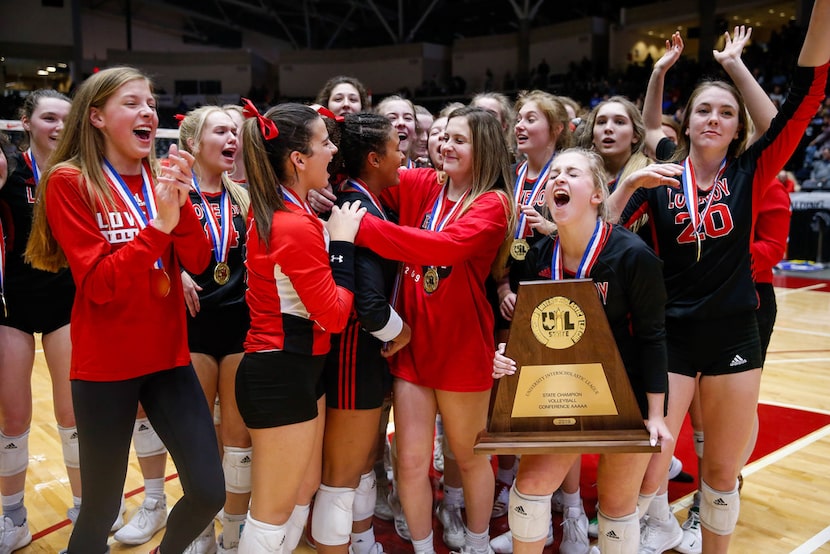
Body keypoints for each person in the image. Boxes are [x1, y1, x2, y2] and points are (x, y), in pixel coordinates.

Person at [608, 6, 830, 551]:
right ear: (686, 124)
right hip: (671, 338)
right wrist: (659, 74)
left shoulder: (753, 172)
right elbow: (651, 127)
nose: (713, 118)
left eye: (726, 113)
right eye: (702, 110)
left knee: (722, 474)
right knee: (645, 471)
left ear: (738, 128)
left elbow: (805, 97)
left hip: (735, 333)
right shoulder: (661, 169)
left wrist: (737, 65)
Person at [25, 66, 226, 554]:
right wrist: (160, 224)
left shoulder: (163, 175)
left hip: (167, 359)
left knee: (208, 491)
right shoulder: (69, 181)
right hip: (105, 368)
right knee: (101, 509)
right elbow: (98, 286)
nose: (148, 113)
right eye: (132, 103)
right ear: (96, 117)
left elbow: (199, 261)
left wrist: (184, 204)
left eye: (151, 104)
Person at [493, 147, 675, 554]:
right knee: (529, 489)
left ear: (597, 194)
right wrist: (505, 356)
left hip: (626, 393)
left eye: (572, 174)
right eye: (554, 173)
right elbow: (530, 333)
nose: (559, 179)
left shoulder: (632, 255)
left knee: (615, 509)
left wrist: (656, 414)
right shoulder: (538, 257)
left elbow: (653, 337)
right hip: (563, 392)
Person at [353, 105, 516, 554]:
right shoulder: (426, 183)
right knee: (409, 461)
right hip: (412, 342)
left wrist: (363, 229)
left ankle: (478, 543)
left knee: (469, 457)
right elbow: (371, 172)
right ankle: (424, 548)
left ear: (482, 148)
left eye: (459, 140)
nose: (445, 145)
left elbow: (443, 246)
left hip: (463, 346)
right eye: (444, 138)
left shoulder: (495, 203)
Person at [234, 102, 366, 552]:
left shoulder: (291, 211)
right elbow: (333, 315)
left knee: (302, 491)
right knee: (271, 512)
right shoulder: (291, 224)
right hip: (278, 372)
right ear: (298, 158)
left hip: (302, 369)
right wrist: (343, 244)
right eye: (325, 142)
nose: (333, 150)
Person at [311, 112, 412, 554]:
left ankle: (362, 541)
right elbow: (368, 306)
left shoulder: (367, 201)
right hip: (354, 356)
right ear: (374, 158)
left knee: (360, 467)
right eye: (397, 148)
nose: (403, 155)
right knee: (340, 477)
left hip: (363, 359)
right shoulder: (356, 209)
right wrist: (403, 331)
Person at [0, 89, 85, 554]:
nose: (57, 126)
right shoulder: (8, 169)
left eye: (65, 120)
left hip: (65, 303)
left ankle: (82, 507)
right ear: (26, 122)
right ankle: (12, 518)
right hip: (10, 304)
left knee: (72, 413)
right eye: (48, 118)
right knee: (13, 416)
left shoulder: (83, 173)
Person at [177, 105, 252, 554]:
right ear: (193, 143)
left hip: (239, 327)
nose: (231, 139)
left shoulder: (242, 196)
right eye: (220, 131)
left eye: (235, 132)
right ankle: (199, 528)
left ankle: (237, 530)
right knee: (199, 437)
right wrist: (170, 267)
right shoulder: (171, 195)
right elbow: (145, 244)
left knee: (239, 440)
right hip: (192, 328)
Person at [375, 95, 417, 167]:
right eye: (392, 118)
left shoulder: (426, 175)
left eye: (407, 118)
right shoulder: (366, 176)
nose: (401, 123)